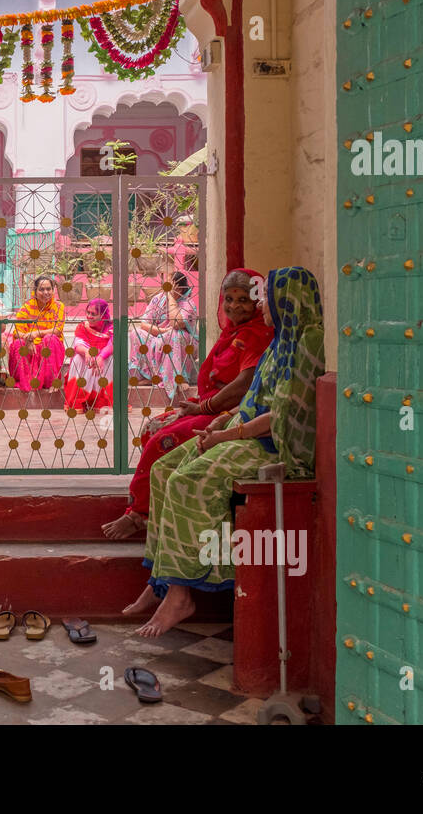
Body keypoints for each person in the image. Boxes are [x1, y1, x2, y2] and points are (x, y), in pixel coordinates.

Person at [128, 266, 325, 637]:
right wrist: (220, 421)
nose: (260, 306)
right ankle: (163, 581)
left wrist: (224, 434)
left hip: (270, 446)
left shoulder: (306, 345)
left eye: (265, 299)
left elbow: (278, 415)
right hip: (240, 430)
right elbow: (254, 398)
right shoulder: (281, 342)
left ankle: (182, 593)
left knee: (187, 481)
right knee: (164, 470)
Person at [105, 268, 272, 539]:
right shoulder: (233, 332)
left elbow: (244, 385)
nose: (234, 306)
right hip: (210, 405)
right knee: (152, 427)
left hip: (232, 413)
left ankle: (139, 516)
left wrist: (203, 408)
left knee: (163, 440)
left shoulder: (255, 335)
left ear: (258, 302)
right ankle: (150, 511)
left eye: (243, 300)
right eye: (229, 299)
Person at [129, 271, 198, 399]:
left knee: (174, 335)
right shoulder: (158, 299)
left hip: (181, 342)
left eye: (169, 284)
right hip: (160, 336)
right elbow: (144, 324)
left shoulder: (188, 304)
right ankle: (151, 377)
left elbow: (175, 323)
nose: (165, 286)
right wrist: (162, 332)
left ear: (179, 288)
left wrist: (171, 297)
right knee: (136, 333)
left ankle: (178, 377)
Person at [7, 276, 66, 392]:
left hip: (49, 347)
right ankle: (26, 383)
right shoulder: (26, 307)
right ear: (35, 291)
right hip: (31, 348)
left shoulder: (59, 306)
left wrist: (36, 334)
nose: (46, 293)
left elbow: (58, 330)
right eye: (41, 289)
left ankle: (52, 382)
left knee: (50, 339)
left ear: (53, 290)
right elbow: (17, 331)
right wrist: (28, 339)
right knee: (19, 343)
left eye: (48, 289)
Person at [63, 298, 114, 411]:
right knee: (78, 358)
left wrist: (101, 357)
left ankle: (101, 401)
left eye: (93, 314)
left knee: (110, 359)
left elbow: (112, 345)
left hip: (102, 359)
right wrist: (87, 352)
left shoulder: (111, 327)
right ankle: (76, 400)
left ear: (103, 316)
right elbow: (78, 344)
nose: (89, 316)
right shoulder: (83, 327)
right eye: (88, 312)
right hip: (88, 359)